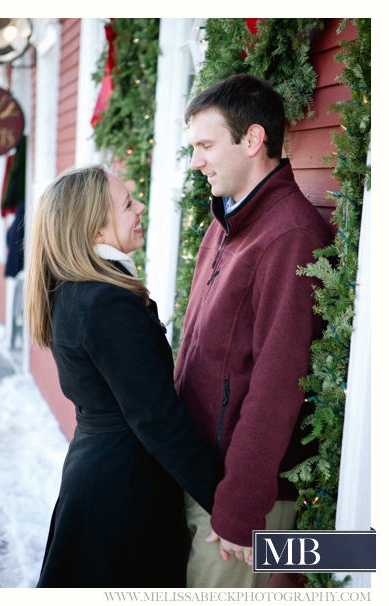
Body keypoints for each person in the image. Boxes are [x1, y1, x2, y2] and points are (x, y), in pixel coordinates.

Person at [25, 164, 219, 588]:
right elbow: (156, 418)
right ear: (96, 231)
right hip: (124, 493)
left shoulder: (76, 290)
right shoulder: (104, 302)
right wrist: (224, 503)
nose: (141, 207)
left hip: (99, 476)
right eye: (128, 203)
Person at [175, 74, 333, 587]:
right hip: (203, 474)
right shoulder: (225, 221)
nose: (196, 161)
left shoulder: (291, 235)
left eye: (206, 145)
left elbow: (278, 384)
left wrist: (240, 510)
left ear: (253, 139)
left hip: (242, 503)